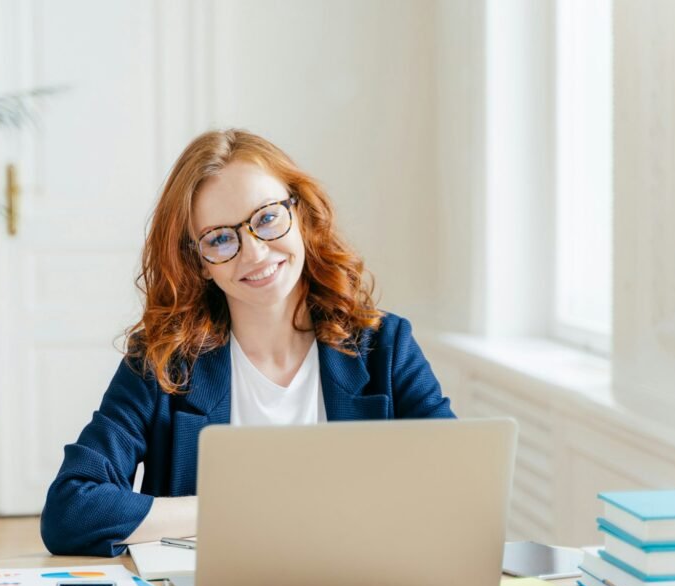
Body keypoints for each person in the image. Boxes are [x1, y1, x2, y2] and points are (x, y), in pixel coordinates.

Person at [41, 129, 453, 557]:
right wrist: (238, 510)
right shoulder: (162, 362)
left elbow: (455, 483)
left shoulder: (385, 346)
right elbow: (71, 510)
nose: (254, 253)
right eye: (220, 238)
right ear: (198, 263)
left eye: (267, 218)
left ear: (303, 215)